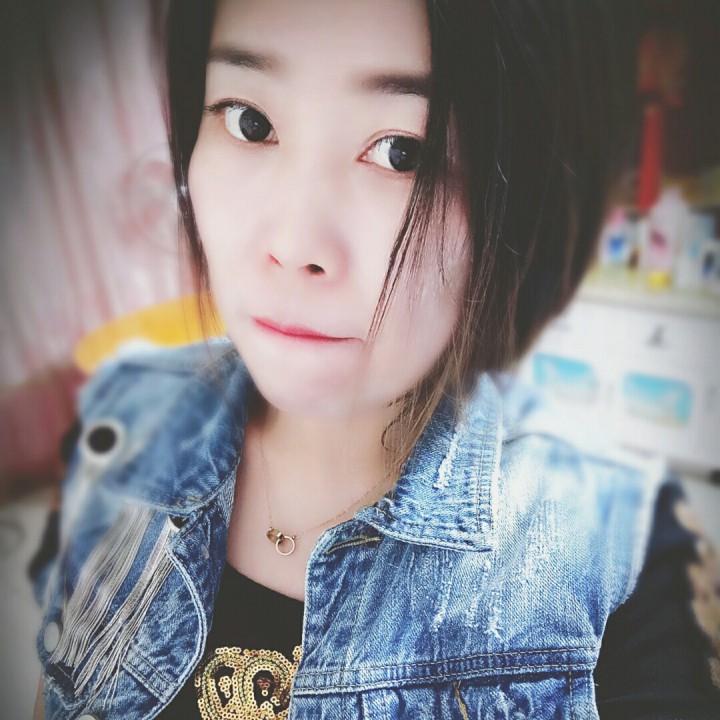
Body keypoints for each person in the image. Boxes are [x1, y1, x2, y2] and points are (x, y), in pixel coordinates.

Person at [31, 0, 720, 718]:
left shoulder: (605, 539)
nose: (294, 245)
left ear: (519, 196)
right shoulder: (123, 425)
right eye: (250, 121)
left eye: (401, 153)